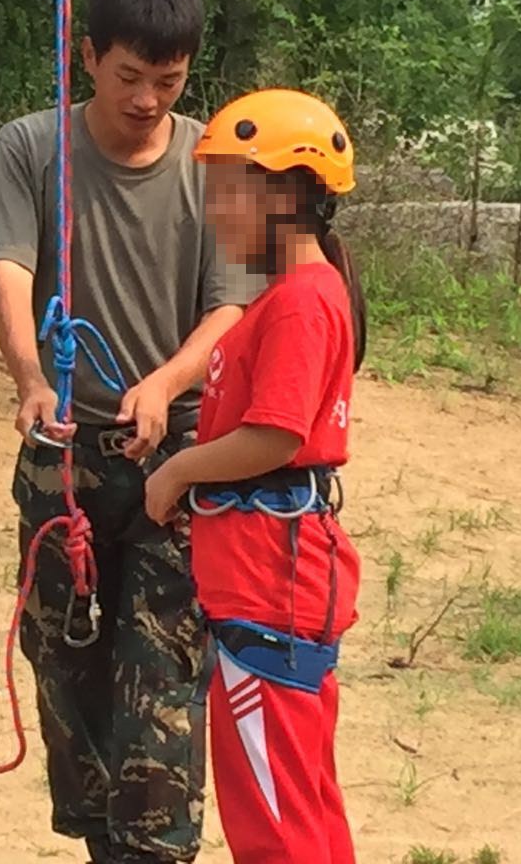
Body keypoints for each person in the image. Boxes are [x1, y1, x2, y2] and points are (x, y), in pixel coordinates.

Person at [0, 0, 247, 864]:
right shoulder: (30, 147)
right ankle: (102, 844)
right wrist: (29, 378)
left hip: (179, 460)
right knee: (69, 670)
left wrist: (163, 386)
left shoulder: (216, 161)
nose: (147, 99)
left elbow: (231, 308)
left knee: (161, 674)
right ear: (87, 56)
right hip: (65, 457)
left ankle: (155, 849)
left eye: (169, 80)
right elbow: (9, 269)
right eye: (128, 75)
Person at [143, 88, 365, 863]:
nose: (213, 212)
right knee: (299, 800)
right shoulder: (296, 294)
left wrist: (178, 474)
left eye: (224, 189)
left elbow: (275, 434)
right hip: (268, 577)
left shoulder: (301, 302)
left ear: (282, 190)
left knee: (274, 823)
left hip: (270, 587)